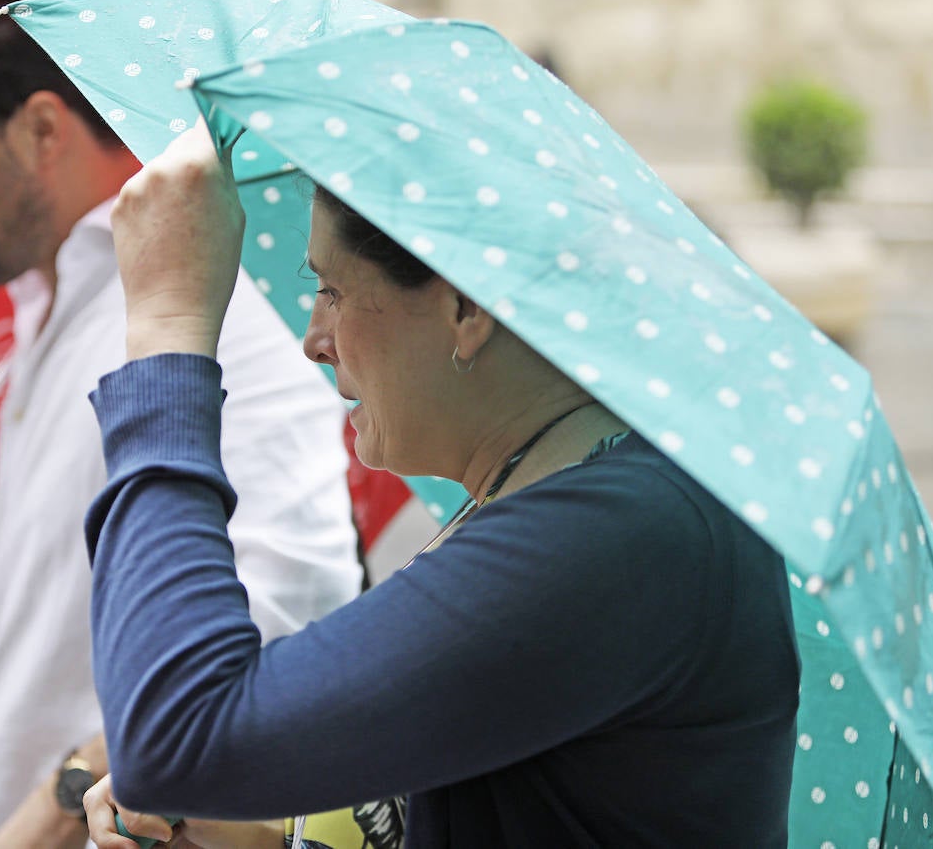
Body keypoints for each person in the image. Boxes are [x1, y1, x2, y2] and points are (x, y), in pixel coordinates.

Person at [78, 121, 801, 848]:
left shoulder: (620, 535)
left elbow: (175, 738)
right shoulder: (556, 493)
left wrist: (167, 332)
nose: (313, 337)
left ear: (466, 306)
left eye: (331, 289)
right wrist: (240, 833)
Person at [0, 0, 363, 849]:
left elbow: (283, 609)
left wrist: (65, 800)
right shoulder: (51, 303)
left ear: (42, 127)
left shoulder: (204, 305)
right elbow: (94, 570)